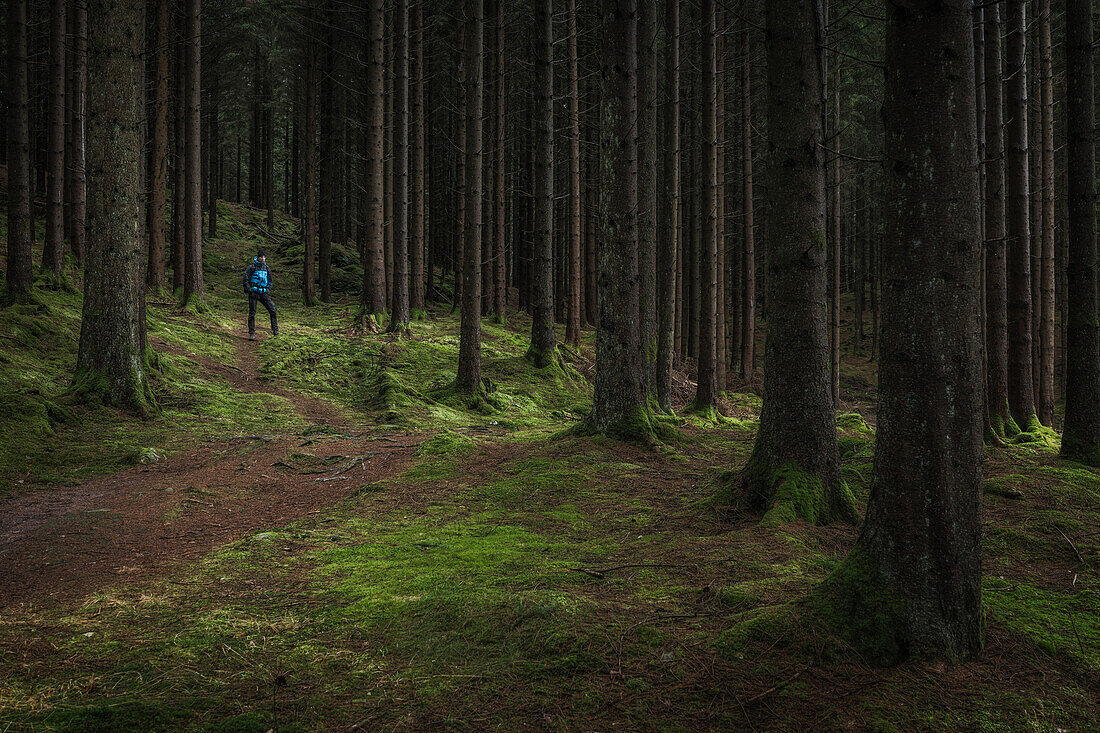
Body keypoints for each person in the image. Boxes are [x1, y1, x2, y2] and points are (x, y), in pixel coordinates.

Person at [242, 249, 279, 341]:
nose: (262, 258)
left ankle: (276, 330)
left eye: (263, 257)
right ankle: (252, 333)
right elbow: (245, 279)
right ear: (258, 257)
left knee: (272, 309)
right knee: (252, 313)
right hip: (254, 293)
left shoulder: (267, 268)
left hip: (263, 293)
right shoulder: (252, 267)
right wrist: (250, 291)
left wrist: (267, 290)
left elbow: (270, 280)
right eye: (261, 257)